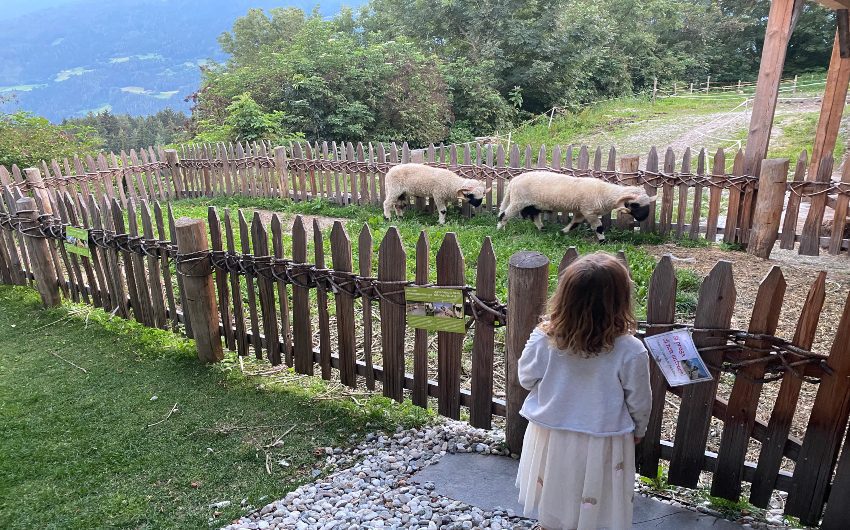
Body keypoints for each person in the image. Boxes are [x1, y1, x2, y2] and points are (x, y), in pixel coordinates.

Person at [515, 252, 652, 530]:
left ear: (564, 296)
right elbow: (639, 400)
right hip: (604, 434)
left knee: (556, 481)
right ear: (621, 300)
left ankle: (552, 524)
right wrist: (639, 430)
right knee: (598, 489)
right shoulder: (630, 349)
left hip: (551, 429)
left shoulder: (544, 338)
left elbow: (526, 378)